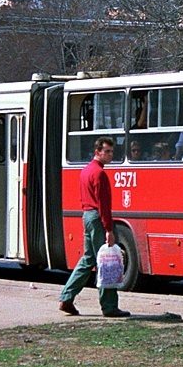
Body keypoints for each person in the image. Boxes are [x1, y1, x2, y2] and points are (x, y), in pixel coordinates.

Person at [58, 136, 130, 318]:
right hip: (98, 217)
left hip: (87, 216)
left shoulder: (86, 171)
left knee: (88, 259)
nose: (110, 155)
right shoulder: (99, 174)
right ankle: (109, 306)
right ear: (97, 152)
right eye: (107, 151)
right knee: (106, 263)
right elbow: (104, 204)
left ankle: (67, 297)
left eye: (112, 152)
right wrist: (109, 230)